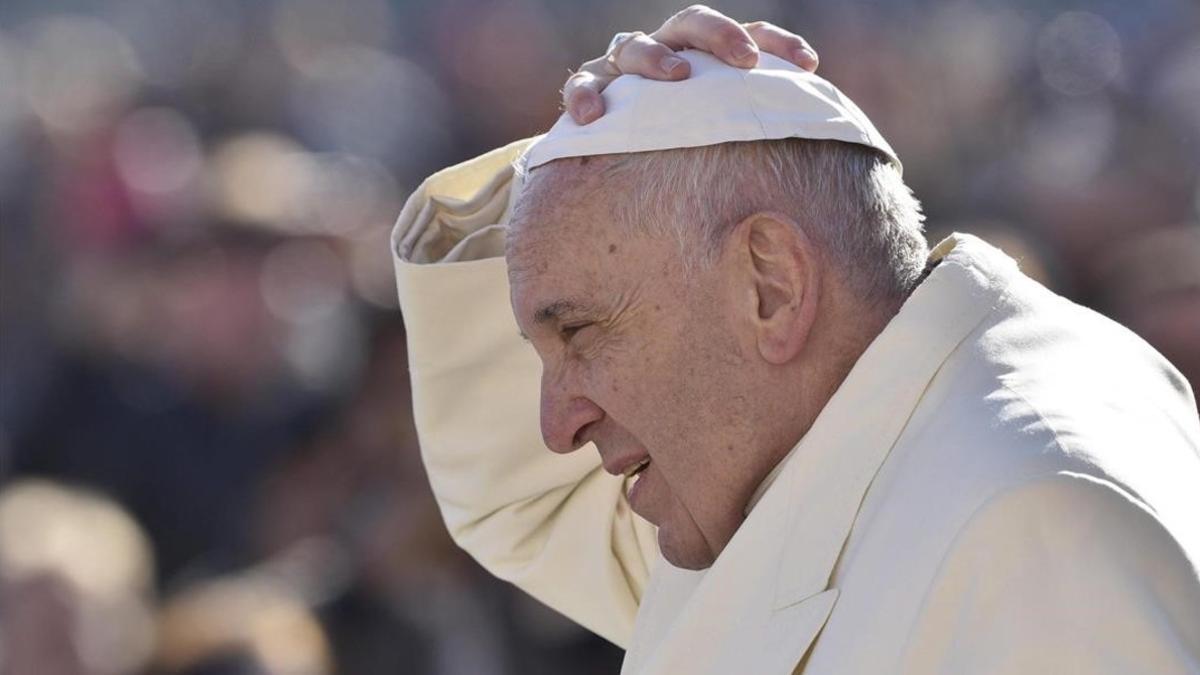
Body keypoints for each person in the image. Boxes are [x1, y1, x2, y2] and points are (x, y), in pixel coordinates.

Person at [390, 6, 1200, 674]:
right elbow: (529, 500)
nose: (555, 423)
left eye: (579, 330)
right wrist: (587, 141)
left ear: (771, 286)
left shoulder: (1031, 528)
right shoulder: (851, 435)